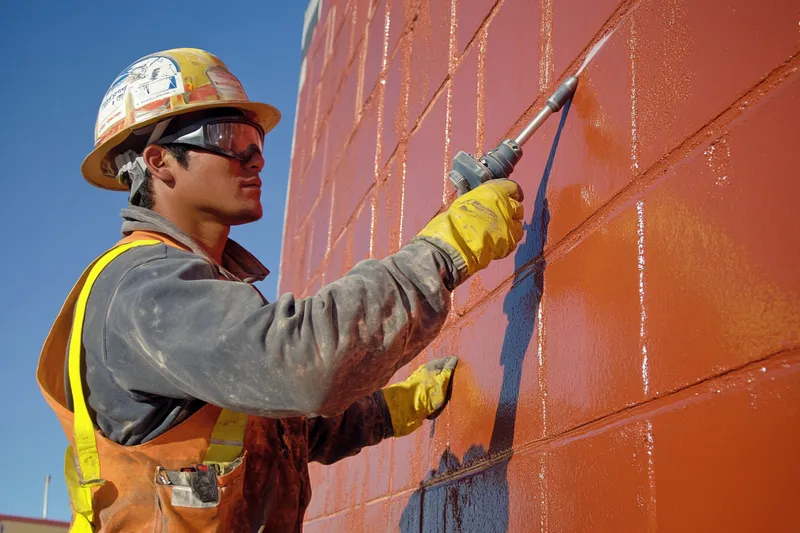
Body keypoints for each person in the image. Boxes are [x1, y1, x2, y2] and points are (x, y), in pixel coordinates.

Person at [36, 48, 524, 532]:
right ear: (160, 162)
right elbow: (299, 363)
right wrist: (444, 252)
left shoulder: (200, 287)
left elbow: (275, 430)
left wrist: (388, 411)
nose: (254, 157)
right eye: (229, 136)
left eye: (256, 139)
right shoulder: (143, 287)